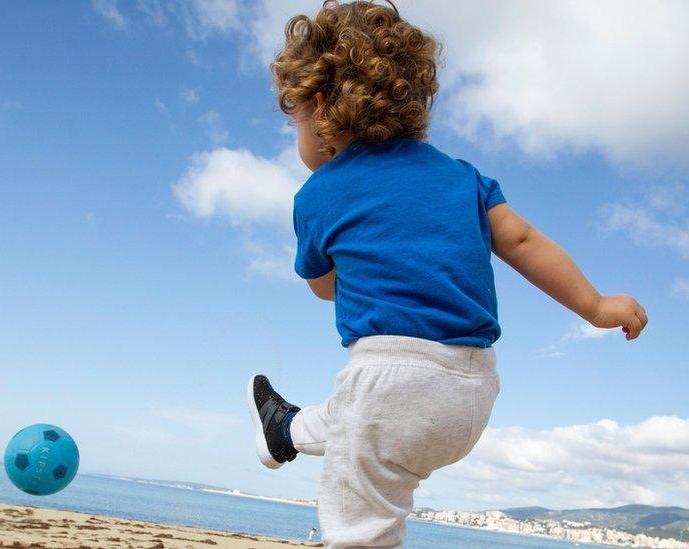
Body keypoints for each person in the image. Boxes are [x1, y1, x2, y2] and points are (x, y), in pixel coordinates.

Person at [246, 2, 647, 547]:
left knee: (359, 522)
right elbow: (524, 242)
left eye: (294, 119)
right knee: (351, 417)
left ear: (319, 106)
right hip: (472, 392)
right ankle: (283, 431)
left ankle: (301, 454)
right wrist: (596, 306)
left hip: (389, 383)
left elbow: (324, 289)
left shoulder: (318, 194)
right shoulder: (465, 179)